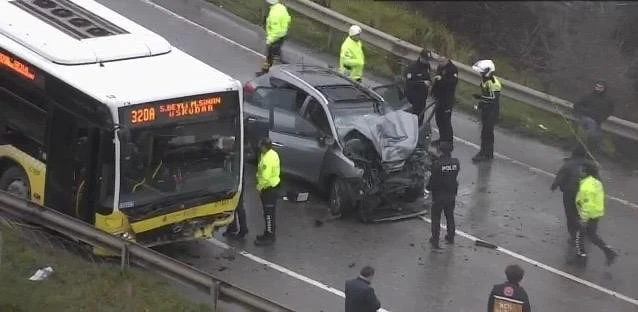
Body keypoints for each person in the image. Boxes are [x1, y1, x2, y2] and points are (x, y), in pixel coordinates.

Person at [550, 144, 596, 245]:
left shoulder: (568, 164)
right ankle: (588, 229)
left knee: (571, 215)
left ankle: (574, 236)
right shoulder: (591, 165)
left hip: (570, 193)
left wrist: (554, 185)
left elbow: (560, 177)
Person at [574, 163, 618, 265]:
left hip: (588, 215)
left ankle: (581, 256)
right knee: (592, 235)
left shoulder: (586, 187)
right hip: (596, 214)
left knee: (579, 235)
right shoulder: (596, 182)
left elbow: (587, 204)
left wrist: (583, 219)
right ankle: (608, 251)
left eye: (582, 170)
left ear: (585, 172)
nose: (580, 171)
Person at [426, 141, 460, 249]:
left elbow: (433, 179)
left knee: (436, 216)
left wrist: (428, 188)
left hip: (439, 194)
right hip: (451, 194)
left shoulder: (437, 163)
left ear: (440, 151)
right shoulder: (456, 162)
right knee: (449, 215)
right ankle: (451, 236)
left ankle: (435, 239)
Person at [471, 59, 502, 162]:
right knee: (486, 132)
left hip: (492, 111)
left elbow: (493, 99)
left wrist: (480, 98)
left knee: (486, 132)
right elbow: (486, 95)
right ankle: (488, 153)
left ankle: (484, 153)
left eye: (482, 72)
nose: (480, 74)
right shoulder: (485, 80)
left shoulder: (494, 83)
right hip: (486, 109)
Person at [254, 137, 281, 246]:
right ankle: (267, 232)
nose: (259, 147)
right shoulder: (272, 153)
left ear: (264, 147)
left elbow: (265, 177)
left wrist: (260, 188)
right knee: (268, 213)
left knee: (269, 214)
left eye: (260, 145)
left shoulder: (267, 159)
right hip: (273, 186)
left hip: (268, 188)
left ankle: (270, 236)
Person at [573, 81, 615, 148]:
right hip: (585, 119)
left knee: (592, 138)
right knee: (582, 138)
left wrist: (602, 118)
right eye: (597, 86)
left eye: (600, 88)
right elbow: (577, 105)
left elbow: (610, 111)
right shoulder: (588, 96)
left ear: (604, 89)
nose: (598, 89)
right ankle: (578, 152)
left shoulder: (608, 100)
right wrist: (586, 112)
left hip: (596, 121)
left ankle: (588, 151)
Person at [430, 53, 459, 146]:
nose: (440, 63)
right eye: (439, 61)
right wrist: (433, 92)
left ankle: (448, 140)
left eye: (442, 61)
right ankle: (442, 138)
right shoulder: (440, 67)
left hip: (447, 98)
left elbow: (452, 83)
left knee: (446, 119)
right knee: (439, 118)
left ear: (447, 59)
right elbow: (437, 81)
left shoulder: (452, 69)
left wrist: (442, 79)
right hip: (440, 97)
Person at [257, 0, 291, 76]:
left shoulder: (274, 14)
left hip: (276, 37)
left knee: (269, 56)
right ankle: (278, 60)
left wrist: (269, 40)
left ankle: (265, 72)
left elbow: (276, 30)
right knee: (274, 54)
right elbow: (288, 19)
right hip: (282, 35)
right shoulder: (281, 7)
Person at [404, 49, 433, 126]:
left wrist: (430, 83)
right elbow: (409, 83)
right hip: (413, 97)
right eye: (425, 59)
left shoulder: (427, 66)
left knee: (420, 118)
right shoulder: (412, 67)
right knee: (412, 118)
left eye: (428, 60)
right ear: (421, 57)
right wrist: (422, 83)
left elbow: (428, 77)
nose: (427, 61)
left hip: (422, 97)